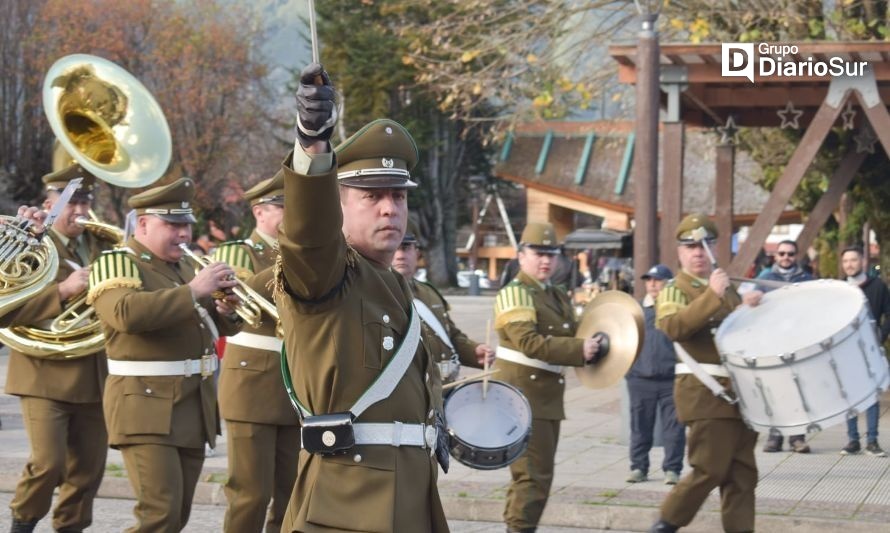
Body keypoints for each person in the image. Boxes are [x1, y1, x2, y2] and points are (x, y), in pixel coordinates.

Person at [274, 63, 448, 532]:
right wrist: (313, 146)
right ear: (338, 203)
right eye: (371, 196)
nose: (390, 207)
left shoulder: (393, 280)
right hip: (347, 503)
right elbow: (309, 237)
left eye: (398, 195)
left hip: (410, 495)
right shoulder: (328, 273)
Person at [88, 177, 243, 532]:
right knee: (158, 515)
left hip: (191, 405)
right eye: (172, 225)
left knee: (176, 517)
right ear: (142, 223)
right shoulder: (117, 262)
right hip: (144, 404)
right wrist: (193, 291)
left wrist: (228, 311)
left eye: (187, 225)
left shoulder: (187, 267)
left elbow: (213, 329)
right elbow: (125, 314)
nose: (184, 234)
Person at [4, 167, 116, 533]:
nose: (80, 209)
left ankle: (71, 528)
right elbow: (7, 308)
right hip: (42, 373)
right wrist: (63, 291)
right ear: (50, 204)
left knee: (88, 470)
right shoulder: (31, 244)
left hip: (93, 372)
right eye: (71, 202)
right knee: (48, 463)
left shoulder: (102, 243)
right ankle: (22, 524)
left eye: (85, 201)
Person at [648, 213, 763, 533]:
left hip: (739, 395)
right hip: (705, 392)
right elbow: (672, 327)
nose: (699, 252)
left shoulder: (724, 288)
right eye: (691, 246)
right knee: (709, 468)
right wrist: (713, 295)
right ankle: (666, 523)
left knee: (742, 474)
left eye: (706, 244)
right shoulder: (675, 288)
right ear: (680, 252)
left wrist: (746, 307)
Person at [493, 222, 602, 533]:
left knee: (536, 476)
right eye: (538, 253)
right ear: (521, 255)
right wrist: (581, 349)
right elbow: (529, 343)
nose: (545, 260)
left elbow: (575, 329)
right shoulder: (515, 293)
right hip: (522, 397)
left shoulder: (554, 293)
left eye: (551, 254)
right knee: (532, 477)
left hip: (544, 397)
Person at [211, 171, 300, 532]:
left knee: (293, 491)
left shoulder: (303, 254)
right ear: (259, 212)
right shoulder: (237, 252)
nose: (293, 215)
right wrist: (291, 257)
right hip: (252, 384)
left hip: (298, 381)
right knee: (250, 493)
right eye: (283, 208)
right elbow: (243, 295)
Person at [391, 219, 494, 399]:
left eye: (406, 247)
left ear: (417, 252)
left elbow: (449, 335)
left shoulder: (428, 293)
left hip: (444, 392)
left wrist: (474, 351)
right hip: (411, 397)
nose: (400, 255)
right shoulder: (376, 296)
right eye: (394, 248)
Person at [625, 264, 685, 486]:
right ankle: (639, 467)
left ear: (668, 284)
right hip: (640, 379)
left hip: (671, 378)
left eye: (657, 280)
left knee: (674, 428)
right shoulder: (637, 310)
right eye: (649, 279)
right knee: (640, 427)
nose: (652, 284)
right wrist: (629, 371)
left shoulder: (677, 309)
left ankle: (672, 469)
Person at [757, 240, 814, 454]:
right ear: (776, 256)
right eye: (782, 253)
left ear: (796, 255)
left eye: (790, 253)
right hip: (772, 342)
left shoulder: (806, 279)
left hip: (798, 341)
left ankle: (797, 437)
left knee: (798, 390)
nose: (786, 257)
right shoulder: (764, 279)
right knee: (775, 390)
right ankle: (775, 436)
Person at [839, 245, 890, 457]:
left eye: (854, 260)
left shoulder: (878, 285)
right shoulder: (839, 289)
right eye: (846, 261)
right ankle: (853, 440)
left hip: (870, 347)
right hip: (846, 348)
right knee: (848, 395)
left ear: (863, 262)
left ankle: (872, 440)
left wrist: (881, 336)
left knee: (871, 395)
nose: (849, 264)